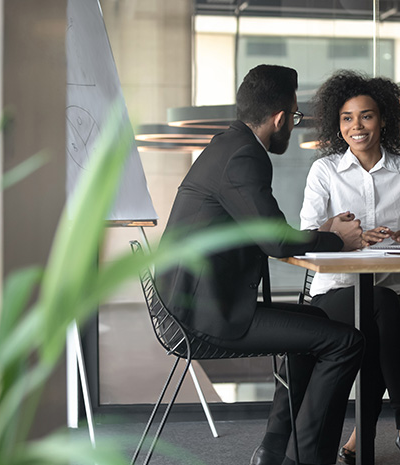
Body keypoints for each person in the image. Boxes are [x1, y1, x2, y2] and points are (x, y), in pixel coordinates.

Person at [156, 64, 367, 465]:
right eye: (296, 118)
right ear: (280, 118)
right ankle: (307, 457)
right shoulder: (244, 156)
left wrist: (321, 231)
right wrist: (336, 239)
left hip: (199, 301)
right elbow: (273, 241)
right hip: (203, 313)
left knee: (319, 325)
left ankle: (275, 451)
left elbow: (265, 230)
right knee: (346, 342)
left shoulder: (229, 145)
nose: (294, 126)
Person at [299, 70, 400, 464]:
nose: (356, 126)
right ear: (336, 124)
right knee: (381, 305)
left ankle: (362, 436)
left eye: (367, 116)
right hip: (335, 295)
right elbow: (307, 235)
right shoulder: (324, 172)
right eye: (346, 117)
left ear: (384, 120)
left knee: (382, 313)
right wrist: (343, 235)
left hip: (395, 293)